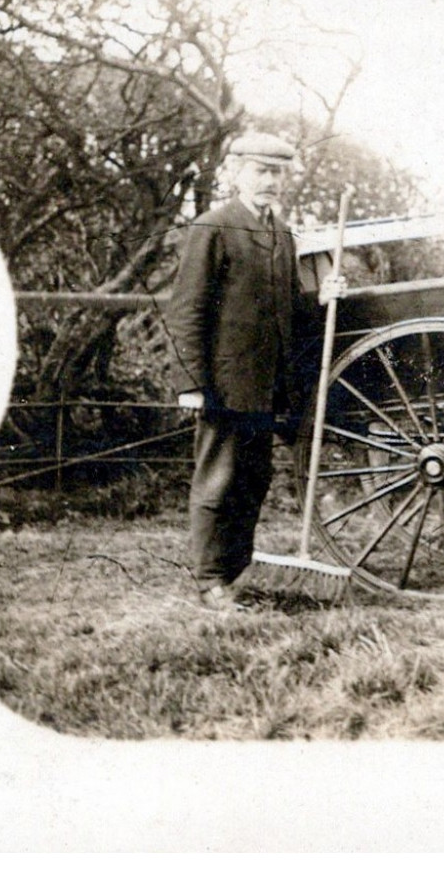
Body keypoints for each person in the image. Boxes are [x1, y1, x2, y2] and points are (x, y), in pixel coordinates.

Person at [165, 132, 344, 610]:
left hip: (267, 385)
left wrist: (322, 300)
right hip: (225, 383)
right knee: (218, 479)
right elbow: (187, 309)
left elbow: (288, 311)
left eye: (278, 172)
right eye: (261, 171)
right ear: (236, 173)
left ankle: (238, 571)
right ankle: (209, 581)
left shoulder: (280, 233)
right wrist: (192, 384)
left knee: (253, 479)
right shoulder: (214, 227)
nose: (271, 181)